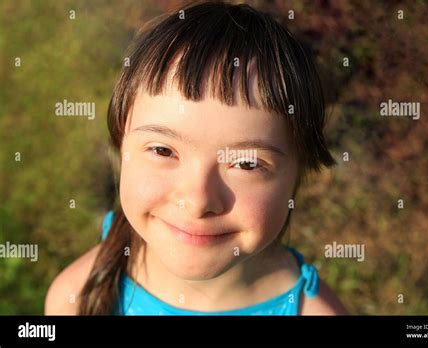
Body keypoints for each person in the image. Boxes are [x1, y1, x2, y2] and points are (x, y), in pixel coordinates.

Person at [45, 1, 347, 315]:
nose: (197, 200)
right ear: (122, 146)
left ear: (301, 171)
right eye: (163, 150)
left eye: (246, 164)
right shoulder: (77, 297)